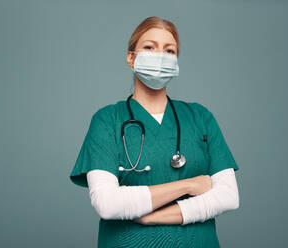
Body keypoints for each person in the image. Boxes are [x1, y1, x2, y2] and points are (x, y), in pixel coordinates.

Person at [69, 16, 240, 248]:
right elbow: (108, 204)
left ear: (177, 61)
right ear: (131, 58)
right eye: (149, 47)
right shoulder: (107, 120)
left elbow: (228, 197)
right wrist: (188, 186)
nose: (160, 56)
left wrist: (151, 216)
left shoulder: (200, 117)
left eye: (169, 51)